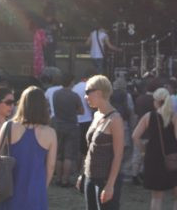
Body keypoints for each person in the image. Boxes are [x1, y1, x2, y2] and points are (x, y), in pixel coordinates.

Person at [0, 86, 57, 210]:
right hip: (36, 189)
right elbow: (51, 166)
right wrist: (42, 187)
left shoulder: (8, 126)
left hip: (9, 188)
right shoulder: (50, 133)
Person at [132, 88, 177, 210]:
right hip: (172, 158)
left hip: (153, 157)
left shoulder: (148, 116)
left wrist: (143, 151)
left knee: (156, 197)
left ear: (156, 101)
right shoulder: (174, 116)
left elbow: (135, 136)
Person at [81, 75, 124, 210]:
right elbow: (91, 149)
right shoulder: (96, 115)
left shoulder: (115, 119)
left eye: (88, 92)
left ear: (99, 92)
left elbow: (118, 155)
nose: (85, 97)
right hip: (90, 177)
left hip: (105, 179)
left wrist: (110, 185)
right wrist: (83, 174)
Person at [52, 73, 83, 187]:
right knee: (68, 155)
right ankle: (65, 180)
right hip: (71, 126)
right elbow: (82, 111)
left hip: (58, 125)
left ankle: (58, 178)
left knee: (59, 154)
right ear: (71, 82)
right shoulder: (74, 96)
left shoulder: (56, 94)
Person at [72, 70, 95, 174]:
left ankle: (76, 168)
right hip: (87, 119)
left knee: (77, 147)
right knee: (85, 146)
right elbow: (91, 103)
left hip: (76, 119)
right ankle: (83, 169)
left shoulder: (75, 87)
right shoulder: (88, 87)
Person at [29, 13, 47, 78]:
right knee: (40, 67)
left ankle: (36, 77)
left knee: (36, 66)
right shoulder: (41, 31)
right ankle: (39, 77)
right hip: (39, 52)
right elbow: (44, 43)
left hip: (35, 51)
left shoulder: (36, 32)